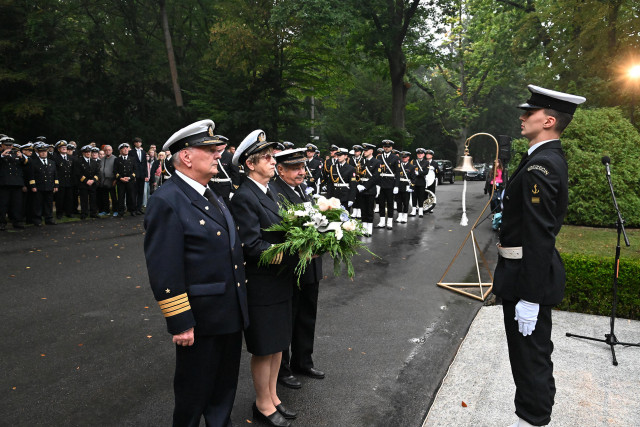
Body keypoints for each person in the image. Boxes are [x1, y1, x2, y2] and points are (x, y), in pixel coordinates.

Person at [144, 119, 248, 427]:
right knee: (193, 394)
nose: (218, 154)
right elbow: (164, 269)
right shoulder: (167, 200)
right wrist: (180, 322)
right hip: (200, 320)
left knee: (223, 390)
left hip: (228, 313)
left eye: (217, 149)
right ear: (186, 157)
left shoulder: (210, 193)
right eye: (209, 149)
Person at [493, 84, 585, 427]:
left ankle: (533, 419)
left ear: (548, 121)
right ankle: (532, 416)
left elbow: (539, 235)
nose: (522, 117)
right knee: (528, 358)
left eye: (528, 113)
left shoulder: (541, 166)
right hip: (520, 273)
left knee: (530, 360)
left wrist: (530, 297)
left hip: (526, 278)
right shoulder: (540, 158)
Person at [230, 130, 297, 427]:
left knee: (279, 344)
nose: (274, 161)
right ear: (250, 164)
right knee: (265, 346)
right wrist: (294, 251)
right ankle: (262, 403)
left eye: (272, 156)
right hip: (261, 284)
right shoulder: (245, 196)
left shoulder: (271, 191)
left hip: (279, 282)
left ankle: (273, 397)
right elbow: (252, 246)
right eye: (268, 158)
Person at [270, 148, 325, 391]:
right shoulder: (274, 192)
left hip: (310, 265)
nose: (301, 172)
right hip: (291, 266)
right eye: (295, 168)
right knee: (287, 318)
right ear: (279, 170)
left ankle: (304, 361)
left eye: (302, 167)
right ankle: (282, 369)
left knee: (307, 315)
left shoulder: (302, 189)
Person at [27, 143, 58, 226]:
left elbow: (55, 175)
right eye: (41, 152)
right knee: (37, 204)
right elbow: (31, 176)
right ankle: (37, 219)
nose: (43, 153)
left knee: (49, 203)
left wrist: (56, 185)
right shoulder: (34, 163)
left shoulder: (52, 162)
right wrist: (33, 186)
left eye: (45, 151)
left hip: (49, 186)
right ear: (38, 152)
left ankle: (49, 218)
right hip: (39, 187)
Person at [0, 136, 27, 230]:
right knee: (3, 204)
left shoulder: (16, 154)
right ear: (2, 145)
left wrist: (21, 157)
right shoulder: (1, 155)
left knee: (17, 204)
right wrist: (2, 156)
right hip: (4, 184)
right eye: (6, 145)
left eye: (10, 145)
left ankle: (17, 221)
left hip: (17, 183)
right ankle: (1, 222)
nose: (9, 147)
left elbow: (27, 166)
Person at [355, 143, 381, 236]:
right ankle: (363, 228)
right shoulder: (362, 162)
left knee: (369, 210)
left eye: (366, 151)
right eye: (364, 151)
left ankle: (369, 229)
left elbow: (375, 178)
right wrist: (358, 184)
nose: (364, 152)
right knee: (363, 210)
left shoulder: (377, 162)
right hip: (361, 189)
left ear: (371, 151)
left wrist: (365, 186)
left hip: (370, 189)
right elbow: (358, 174)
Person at [375, 140, 400, 229]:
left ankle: (389, 222)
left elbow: (397, 173)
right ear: (383, 147)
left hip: (390, 183)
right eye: (385, 146)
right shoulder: (379, 157)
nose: (386, 148)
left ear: (391, 148)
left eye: (388, 147)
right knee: (381, 203)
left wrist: (396, 185)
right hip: (381, 183)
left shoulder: (395, 158)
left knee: (390, 203)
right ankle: (382, 221)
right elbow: (376, 172)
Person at [113, 143, 136, 217]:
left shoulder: (132, 159)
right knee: (121, 197)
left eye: (127, 148)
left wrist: (130, 177)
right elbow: (115, 171)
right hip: (121, 181)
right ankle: (121, 211)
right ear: (120, 151)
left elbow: (135, 170)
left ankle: (132, 210)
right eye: (124, 148)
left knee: (131, 196)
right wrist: (120, 178)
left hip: (130, 181)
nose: (126, 149)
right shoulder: (117, 160)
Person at [77, 145, 100, 219]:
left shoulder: (94, 162)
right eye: (86, 152)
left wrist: (93, 180)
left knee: (93, 199)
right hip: (83, 184)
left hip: (92, 184)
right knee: (84, 199)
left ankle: (93, 213)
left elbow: (98, 173)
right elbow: (78, 173)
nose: (88, 153)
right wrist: (86, 181)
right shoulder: (79, 161)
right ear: (83, 153)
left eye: (89, 152)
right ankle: (84, 213)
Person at [131, 137, 147, 214]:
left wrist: (146, 175)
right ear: (134, 143)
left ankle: (139, 208)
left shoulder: (143, 152)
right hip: (135, 175)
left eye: (139, 142)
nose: (138, 143)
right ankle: (133, 209)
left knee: (141, 192)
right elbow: (130, 165)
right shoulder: (131, 152)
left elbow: (145, 164)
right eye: (137, 142)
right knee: (134, 192)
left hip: (142, 175)